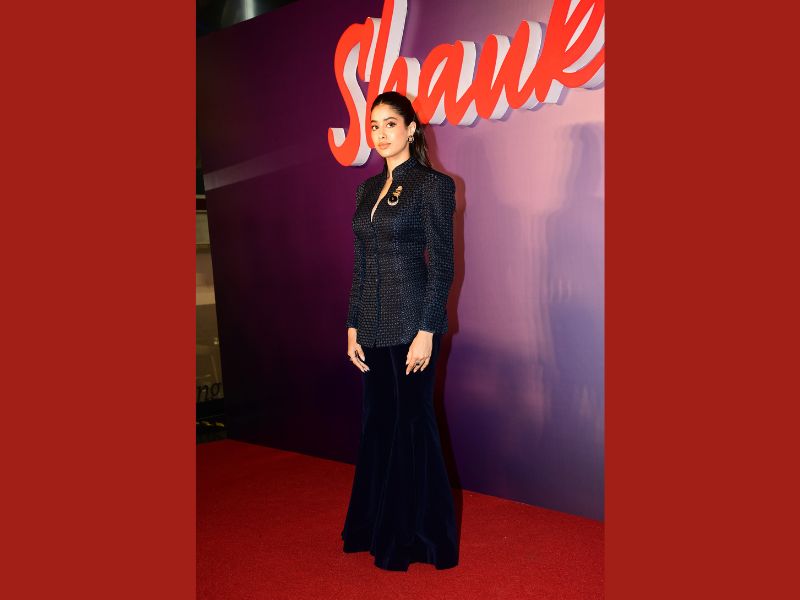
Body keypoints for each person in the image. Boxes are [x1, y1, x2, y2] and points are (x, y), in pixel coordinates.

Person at [341, 91, 459, 571]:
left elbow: (443, 265)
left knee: (412, 425)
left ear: (411, 129)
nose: (381, 134)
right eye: (374, 126)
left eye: (390, 124)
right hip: (371, 325)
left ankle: (422, 538)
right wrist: (352, 325)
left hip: (412, 322)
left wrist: (428, 329)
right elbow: (360, 263)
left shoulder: (433, 186)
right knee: (377, 424)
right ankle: (373, 526)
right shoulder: (366, 190)